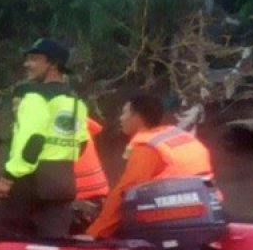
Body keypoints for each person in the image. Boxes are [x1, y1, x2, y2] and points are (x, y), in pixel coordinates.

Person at [0, 38, 89, 239]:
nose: (27, 64)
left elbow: (32, 140)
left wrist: (7, 179)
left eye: (34, 59)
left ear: (52, 64)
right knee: (52, 248)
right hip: (61, 185)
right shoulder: (76, 102)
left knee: (8, 245)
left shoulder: (34, 97)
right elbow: (82, 144)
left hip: (27, 184)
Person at [84, 94, 214, 240]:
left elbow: (124, 192)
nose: (121, 118)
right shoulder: (176, 135)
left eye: (125, 112)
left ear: (137, 116)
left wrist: (94, 233)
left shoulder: (147, 147)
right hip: (208, 207)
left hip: (174, 214)